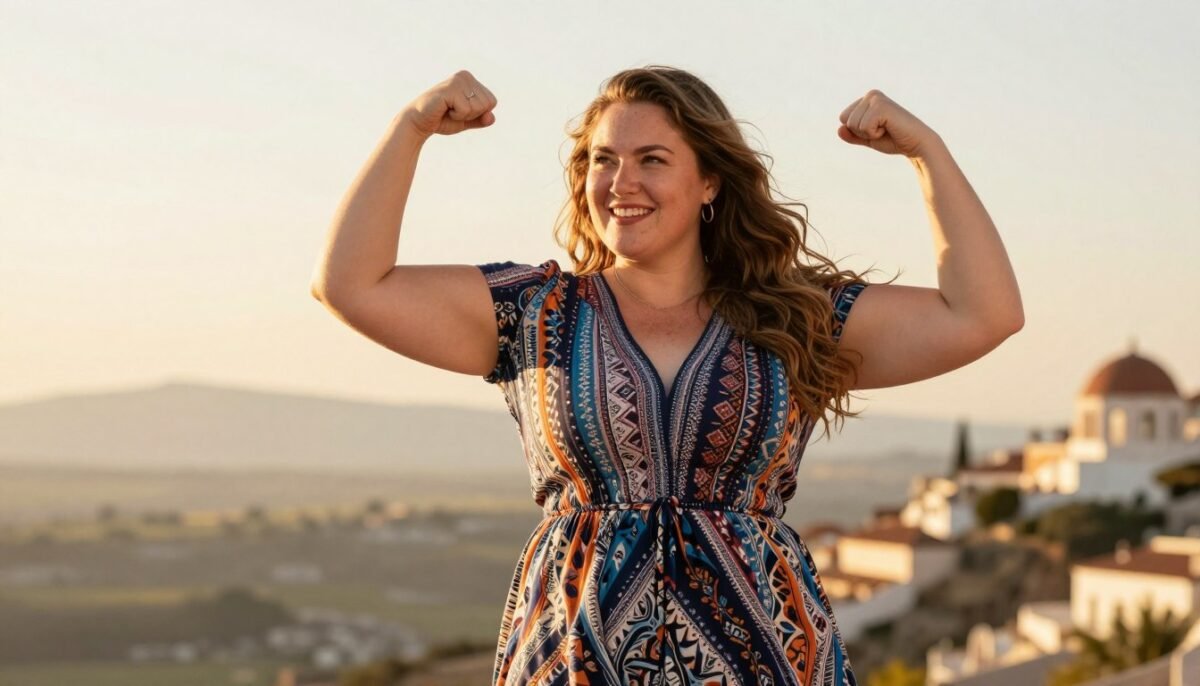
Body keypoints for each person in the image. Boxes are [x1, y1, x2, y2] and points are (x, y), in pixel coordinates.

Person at [311, 66, 1023, 686]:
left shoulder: (797, 314)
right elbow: (350, 284)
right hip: (573, 659)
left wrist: (926, 153)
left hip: (765, 660)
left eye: (652, 159)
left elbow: (983, 315)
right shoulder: (533, 311)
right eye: (602, 160)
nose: (622, 183)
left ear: (709, 181)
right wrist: (411, 129)